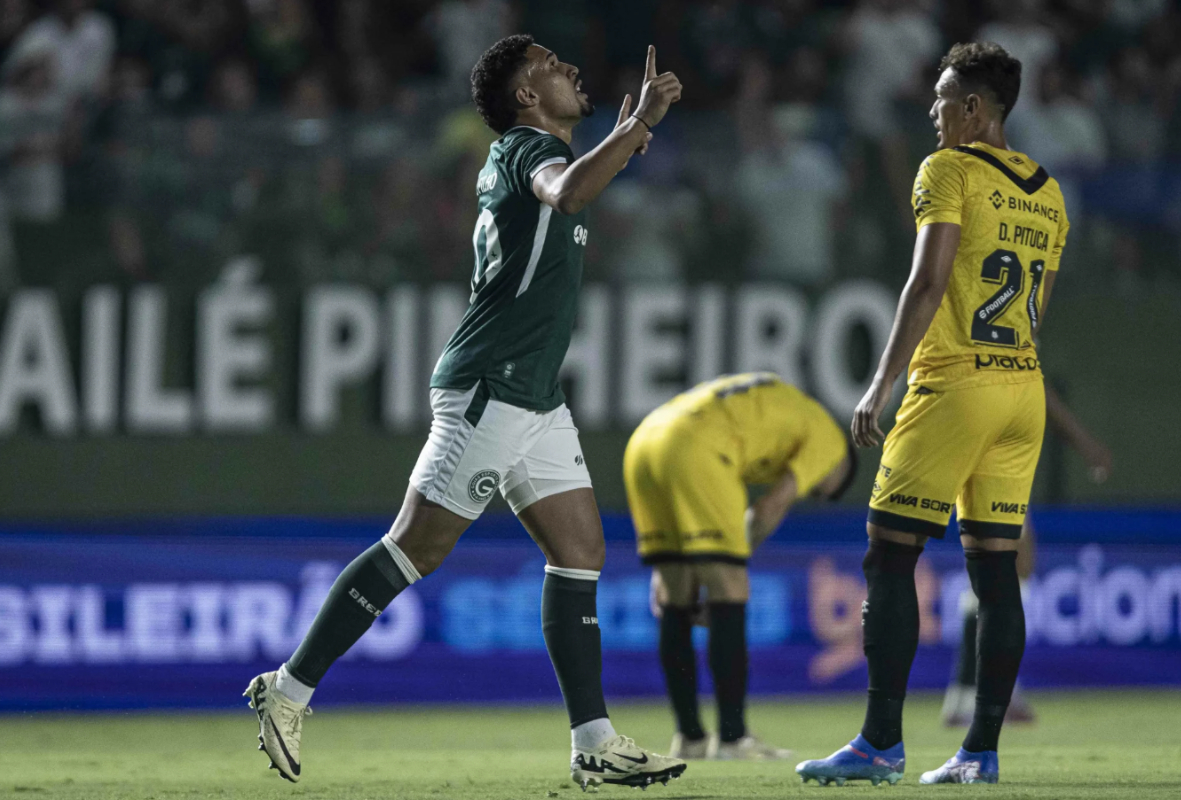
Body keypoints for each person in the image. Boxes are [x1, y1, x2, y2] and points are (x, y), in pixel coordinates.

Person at [245, 36, 686, 791]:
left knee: (580, 552)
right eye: (550, 66)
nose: (570, 69)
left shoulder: (538, 155)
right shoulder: (523, 149)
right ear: (524, 98)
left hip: (535, 394)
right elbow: (568, 192)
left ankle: (593, 741)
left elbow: (575, 186)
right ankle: (286, 691)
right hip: (492, 383)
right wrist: (635, 124)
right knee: (415, 546)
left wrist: (625, 137)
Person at [795, 41, 1069, 787]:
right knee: (995, 572)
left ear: (975, 110)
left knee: (890, 554)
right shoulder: (1049, 192)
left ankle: (880, 743)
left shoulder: (948, 169)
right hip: (1021, 388)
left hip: (954, 383)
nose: (933, 112)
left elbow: (928, 280)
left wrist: (879, 383)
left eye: (944, 100)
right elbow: (1034, 308)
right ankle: (980, 752)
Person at [625, 373, 856, 761]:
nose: (815, 493)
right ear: (843, 466)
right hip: (697, 445)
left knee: (675, 598)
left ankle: (690, 738)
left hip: (646, 442)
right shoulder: (830, 443)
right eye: (822, 490)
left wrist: (688, 564)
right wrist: (724, 567)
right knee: (731, 587)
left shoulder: (784, 407)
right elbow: (769, 507)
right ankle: (733, 739)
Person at [941, 384, 1113, 726]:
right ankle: (989, 693)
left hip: (978, 431)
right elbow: (1034, 385)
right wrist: (1086, 443)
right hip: (990, 436)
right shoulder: (1012, 339)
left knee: (1003, 566)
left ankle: (970, 693)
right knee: (1009, 562)